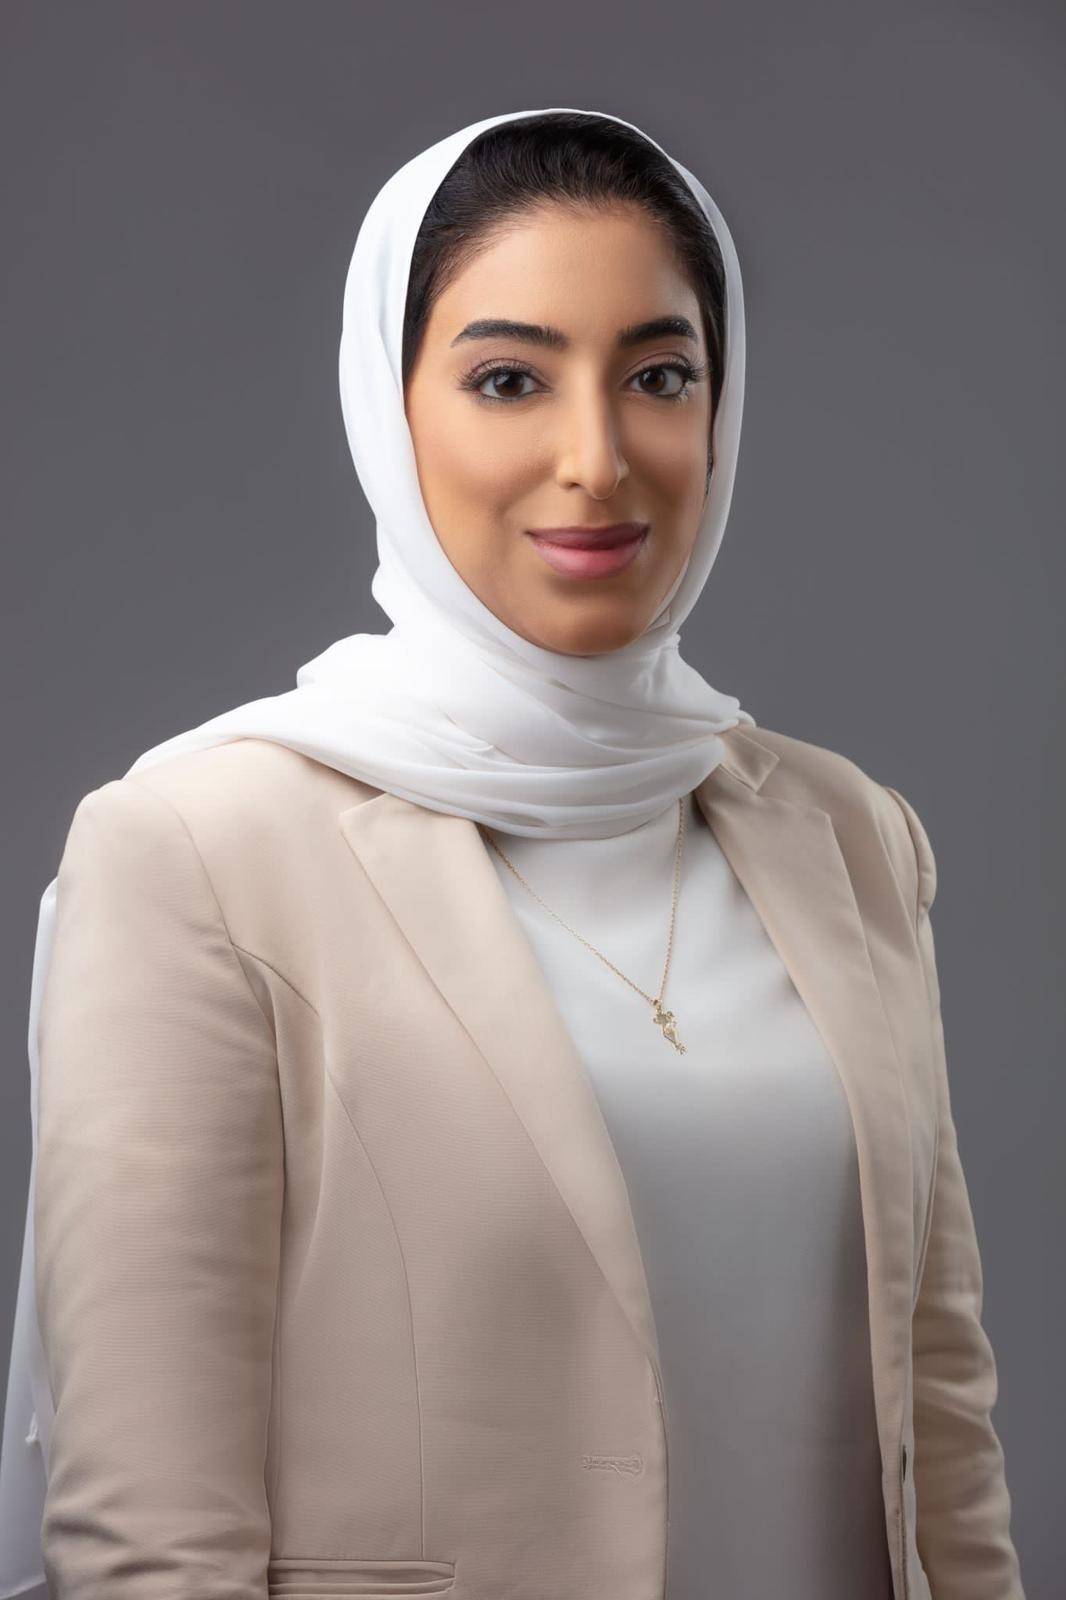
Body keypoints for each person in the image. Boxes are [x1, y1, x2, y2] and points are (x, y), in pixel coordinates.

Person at [0, 106, 1024, 1599]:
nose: (595, 460)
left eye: (658, 377)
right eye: (507, 380)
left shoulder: (850, 837)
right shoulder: (199, 856)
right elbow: (151, 1539)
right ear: (389, 408)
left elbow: (944, 1440)